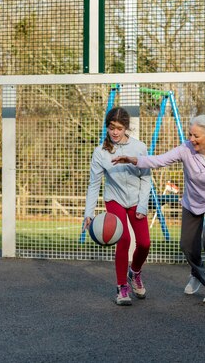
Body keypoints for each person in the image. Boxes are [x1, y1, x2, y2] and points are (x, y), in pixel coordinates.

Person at [112, 114, 205, 304]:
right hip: (192, 200)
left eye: (195, 136)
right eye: (190, 135)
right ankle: (197, 273)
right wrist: (133, 160)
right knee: (186, 244)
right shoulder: (185, 150)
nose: (191, 139)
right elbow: (159, 160)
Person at [83, 107, 152, 306]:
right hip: (114, 200)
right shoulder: (100, 153)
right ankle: (122, 287)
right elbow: (94, 184)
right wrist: (89, 213)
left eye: (119, 128)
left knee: (145, 243)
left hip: (137, 200)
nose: (115, 132)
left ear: (126, 129)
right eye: (111, 127)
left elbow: (146, 179)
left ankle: (135, 272)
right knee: (124, 239)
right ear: (107, 127)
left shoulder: (139, 147)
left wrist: (142, 206)